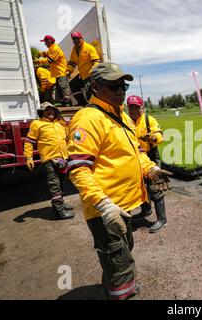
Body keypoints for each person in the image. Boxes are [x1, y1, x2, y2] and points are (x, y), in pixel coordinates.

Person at [67, 63, 172, 300]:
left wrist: (153, 170)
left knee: (122, 255)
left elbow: (136, 152)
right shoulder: (88, 119)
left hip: (123, 207)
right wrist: (103, 205)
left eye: (123, 85)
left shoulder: (121, 116)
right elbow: (78, 170)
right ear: (95, 86)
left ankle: (119, 287)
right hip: (106, 210)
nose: (120, 91)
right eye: (113, 85)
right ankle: (123, 293)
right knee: (118, 260)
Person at [24, 102, 74, 220]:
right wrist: (29, 157)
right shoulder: (37, 124)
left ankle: (61, 203)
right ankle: (59, 211)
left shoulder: (61, 123)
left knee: (62, 182)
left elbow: (68, 139)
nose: (50, 112)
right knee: (54, 185)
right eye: (47, 110)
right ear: (42, 113)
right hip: (49, 160)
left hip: (63, 158)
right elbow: (29, 142)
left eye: (52, 110)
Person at [126, 95, 168, 233]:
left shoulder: (149, 120)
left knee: (154, 188)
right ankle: (146, 210)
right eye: (131, 107)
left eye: (136, 107)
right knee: (139, 185)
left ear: (142, 107)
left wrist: (153, 137)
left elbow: (160, 136)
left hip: (150, 157)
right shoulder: (125, 121)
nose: (133, 110)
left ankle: (162, 219)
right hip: (134, 157)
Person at [66, 31, 101, 106]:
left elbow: (96, 61)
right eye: (74, 39)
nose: (76, 41)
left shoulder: (89, 48)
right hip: (82, 75)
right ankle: (82, 102)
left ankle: (91, 105)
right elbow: (72, 62)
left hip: (90, 74)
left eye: (77, 39)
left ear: (82, 38)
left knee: (88, 90)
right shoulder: (74, 50)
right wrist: (68, 71)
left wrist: (93, 72)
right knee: (73, 84)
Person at [36, 35, 71, 107]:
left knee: (63, 87)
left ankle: (68, 102)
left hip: (61, 72)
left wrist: (39, 60)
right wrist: (40, 53)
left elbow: (51, 60)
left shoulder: (55, 48)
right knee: (58, 88)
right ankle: (59, 102)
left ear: (49, 41)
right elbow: (46, 53)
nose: (44, 44)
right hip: (57, 73)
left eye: (45, 42)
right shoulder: (51, 49)